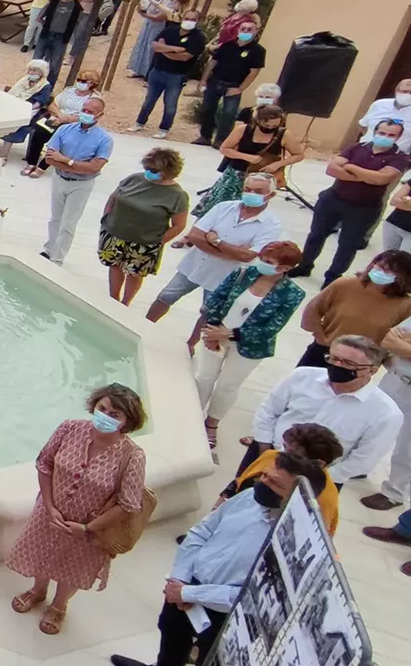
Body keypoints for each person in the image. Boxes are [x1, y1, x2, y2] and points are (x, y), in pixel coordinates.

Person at [106, 455, 325, 666]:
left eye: (274, 483)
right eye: (265, 475)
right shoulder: (248, 498)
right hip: (185, 584)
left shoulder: (292, 543)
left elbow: (254, 596)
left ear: (296, 498)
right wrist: (180, 580)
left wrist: (188, 594)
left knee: (212, 658)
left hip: (226, 615)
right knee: (171, 636)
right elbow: (201, 532)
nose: (262, 482)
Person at [5, 384, 149, 635]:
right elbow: (45, 464)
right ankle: (38, 591)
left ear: (127, 421)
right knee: (41, 552)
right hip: (50, 513)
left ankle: (59, 605)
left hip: (91, 527)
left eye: (114, 414)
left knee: (72, 566)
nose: (104, 416)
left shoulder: (132, 456)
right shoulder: (70, 428)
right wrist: (49, 507)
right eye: (101, 408)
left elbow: (129, 504)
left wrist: (87, 528)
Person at [192, 243, 307, 448]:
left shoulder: (292, 294)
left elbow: (272, 327)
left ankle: (212, 423)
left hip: (250, 345)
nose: (262, 264)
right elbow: (216, 299)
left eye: (269, 262)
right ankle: (190, 415)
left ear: (285, 268)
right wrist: (213, 331)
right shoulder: (242, 273)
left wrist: (229, 334)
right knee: (203, 378)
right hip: (217, 332)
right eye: (261, 258)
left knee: (228, 386)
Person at [246, 334, 401, 485]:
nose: (337, 366)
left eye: (348, 363)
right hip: (267, 452)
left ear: (372, 370)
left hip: (321, 478)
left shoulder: (386, 413)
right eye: (333, 358)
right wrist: (265, 450)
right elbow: (268, 411)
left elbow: (363, 460)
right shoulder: (302, 376)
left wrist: (308, 479)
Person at [145, 172, 282, 323]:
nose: (251, 194)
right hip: (196, 264)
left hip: (224, 275)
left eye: (258, 191)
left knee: (208, 313)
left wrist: (215, 240)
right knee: (165, 297)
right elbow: (195, 235)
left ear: (271, 195)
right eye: (247, 189)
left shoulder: (271, 224)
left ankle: (193, 344)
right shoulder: (224, 207)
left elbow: (248, 256)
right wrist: (231, 251)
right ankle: (146, 325)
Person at [294, 120, 411, 283]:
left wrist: (351, 167)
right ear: (375, 132)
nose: (385, 137)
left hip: (364, 208)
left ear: (398, 137)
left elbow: (380, 179)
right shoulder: (356, 147)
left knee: (347, 245)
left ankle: (333, 277)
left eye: (391, 135)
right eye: (382, 133)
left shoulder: (399, 158)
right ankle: (304, 266)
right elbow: (332, 169)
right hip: (333, 199)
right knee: (316, 235)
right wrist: (366, 177)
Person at [97, 147, 191, 304]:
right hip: (115, 234)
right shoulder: (133, 179)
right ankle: (113, 299)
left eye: (153, 170)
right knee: (114, 266)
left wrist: (156, 242)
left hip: (145, 243)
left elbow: (178, 225)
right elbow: (113, 198)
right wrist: (107, 219)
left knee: (135, 273)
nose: (148, 172)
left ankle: (125, 302)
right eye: (147, 168)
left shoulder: (177, 196)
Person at [296, 250, 411, 368]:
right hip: (325, 351)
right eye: (380, 266)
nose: (381, 272)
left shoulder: (405, 305)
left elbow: (398, 336)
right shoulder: (345, 285)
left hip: (360, 362)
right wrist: (320, 337)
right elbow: (313, 309)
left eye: (389, 271)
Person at [195, 104, 301, 217]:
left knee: (248, 210)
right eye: (266, 124)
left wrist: (278, 164)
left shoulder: (284, 134)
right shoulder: (243, 130)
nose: (270, 127)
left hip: (260, 178)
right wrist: (247, 157)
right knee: (218, 206)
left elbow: (298, 155)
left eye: (274, 125)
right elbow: (225, 149)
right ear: (258, 120)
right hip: (236, 174)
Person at [41, 98, 113, 262]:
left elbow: (95, 167)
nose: (85, 114)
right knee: (55, 218)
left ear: (100, 115)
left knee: (69, 222)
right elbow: (50, 159)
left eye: (90, 112)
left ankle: (58, 257)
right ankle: (49, 249)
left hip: (81, 184)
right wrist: (78, 166)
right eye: (84, 110)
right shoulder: (65, 130)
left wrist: (66, 161)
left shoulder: (104, 139)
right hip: (60, 178)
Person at [196, 5, 266, 148]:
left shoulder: (258, 51)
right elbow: (213, 62)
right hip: (215, 81)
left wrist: (240, 89)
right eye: (243, 29)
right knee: (208, 109)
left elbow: (254, 72)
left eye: (249, 29)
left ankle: (221, 140)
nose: (245, 31)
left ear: (256, 31)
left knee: (228, 114)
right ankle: (205, 136)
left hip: (233, 86)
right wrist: (203, 80)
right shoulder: (227, 45)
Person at [129, 15, 206, 138]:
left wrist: (163, 50)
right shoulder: (170, 30)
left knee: (170, 104)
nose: (189, 21)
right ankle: (139, 123)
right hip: (157, 71)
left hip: (177, 75)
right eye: (187, 18)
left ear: (198, 21)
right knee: (149, 100)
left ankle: (164, 129)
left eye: (192, 19)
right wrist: (175, 49)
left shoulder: (198, 37)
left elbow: (185, 57)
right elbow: (155, 45)